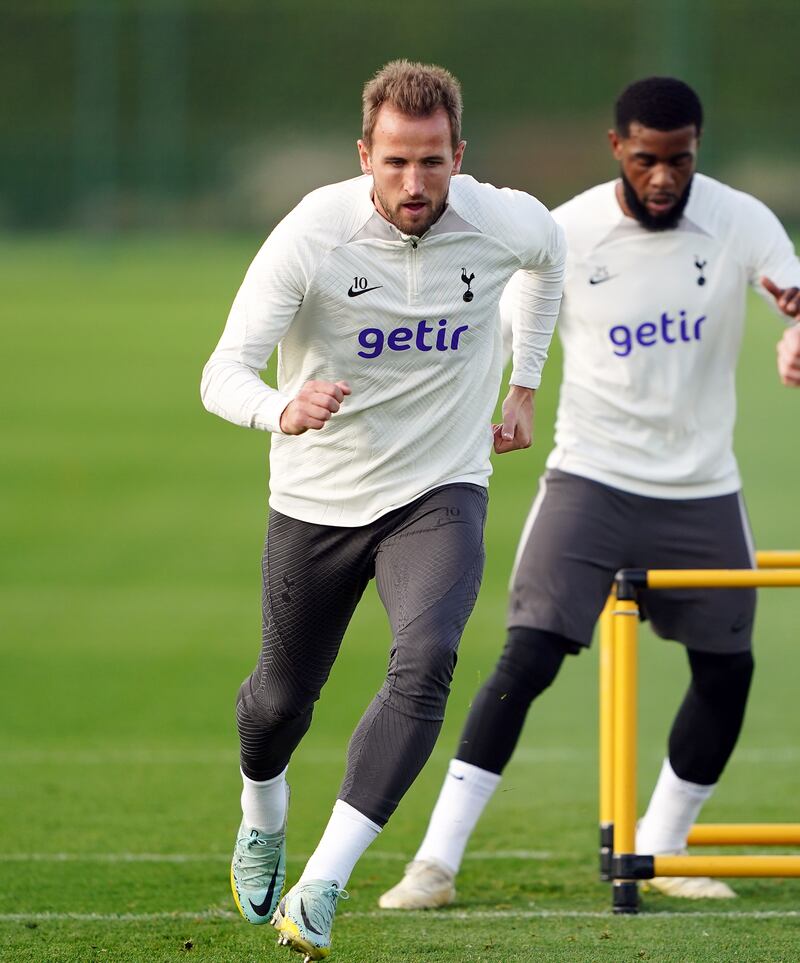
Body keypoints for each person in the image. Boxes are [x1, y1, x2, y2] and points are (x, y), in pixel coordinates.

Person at [380, 76, 800, 910]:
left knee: (729, 670)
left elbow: (792, 291)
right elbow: (491, 330)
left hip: (702, 487)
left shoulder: (740, 219)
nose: (664, 177)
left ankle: (666, 844)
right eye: (647, 159)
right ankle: (434, 861)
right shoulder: (568, 230)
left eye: (680, 160)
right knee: (526, 658)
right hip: (592, 479)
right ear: (618, 148)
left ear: (696, 150)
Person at [200, 59, 565, 959]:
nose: (415, 182)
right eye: (396, 161)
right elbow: (222, 373)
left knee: (429, 656)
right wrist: (279, 408)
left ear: (458, 155)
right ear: (366, 153)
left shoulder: (502, 218)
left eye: (433, 161)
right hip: (318, 498)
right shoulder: (312, 236)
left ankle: (322, 881)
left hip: (440, 489)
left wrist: (524, 382)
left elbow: (549, 260)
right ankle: (262, 816)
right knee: (278, 704)